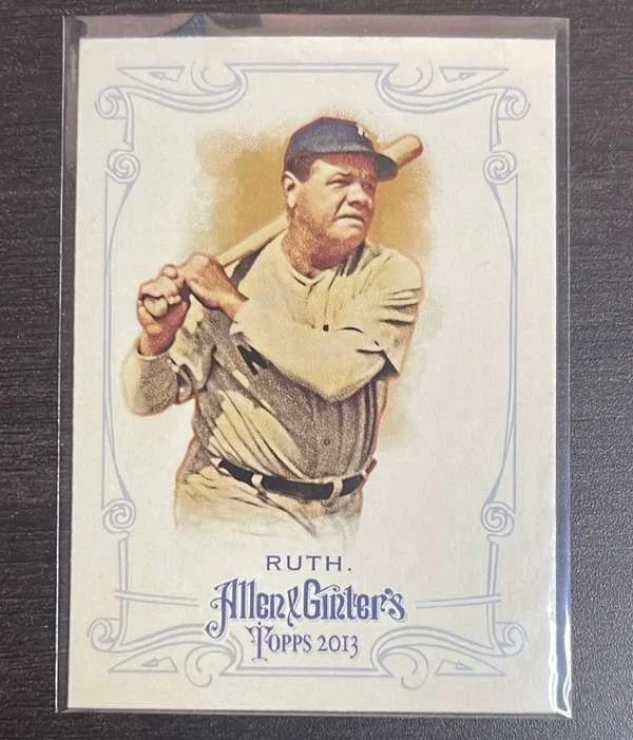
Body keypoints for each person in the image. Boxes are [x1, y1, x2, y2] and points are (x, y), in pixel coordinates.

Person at [122, 117, 423, 544]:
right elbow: (145, 400)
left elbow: (336, 373)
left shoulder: (389, 275)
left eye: (368, 185)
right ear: (291, 190)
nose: (360, 197)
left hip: (339, 515)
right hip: (233, 502)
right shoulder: (230, 278)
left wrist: (233, 304)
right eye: (341, 182)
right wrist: (156, 339)